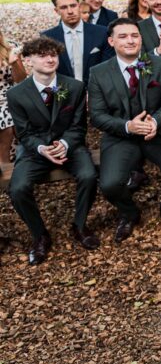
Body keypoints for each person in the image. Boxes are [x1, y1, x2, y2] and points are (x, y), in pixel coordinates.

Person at [89, 18, 161, 243]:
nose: (130, 40)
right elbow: (97, 115)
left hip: (159, 131)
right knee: (110, 184)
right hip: (120, 136)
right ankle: (129, 213)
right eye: (123, 36)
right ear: (111, 41)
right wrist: (128, 126)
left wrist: (155, 122)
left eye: (134, 35)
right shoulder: (98, 73)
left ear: (141, 38)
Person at [7, 37, 99, 264]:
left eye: (53, 55)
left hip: (70, 146)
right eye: (42, 55)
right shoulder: (16, 94)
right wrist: (42, 148)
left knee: (88, 175)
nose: (50, 59)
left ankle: (79, 225)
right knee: (17, 189)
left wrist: (65, 144)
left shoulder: (75, 87)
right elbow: (24, 134)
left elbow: (79, 127)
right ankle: (40, 236)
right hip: (34, 151)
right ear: (28, 60)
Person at [41, 0, 112, 84]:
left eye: (73, 6)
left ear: (79, 6)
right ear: (56, 11)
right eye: (63, 7)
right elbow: (46, 71)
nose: (70, 11)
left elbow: (108, 66)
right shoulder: (47, 37)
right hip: (63, 92)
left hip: (96, 90)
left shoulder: (102, 32)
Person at [0, 30, 25, 164]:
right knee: (7, 128)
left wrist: (14, 63)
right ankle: (4, 167)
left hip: (10, 93)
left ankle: (21, 162)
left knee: (16, 124)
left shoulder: (11, 47)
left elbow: (21, 79)